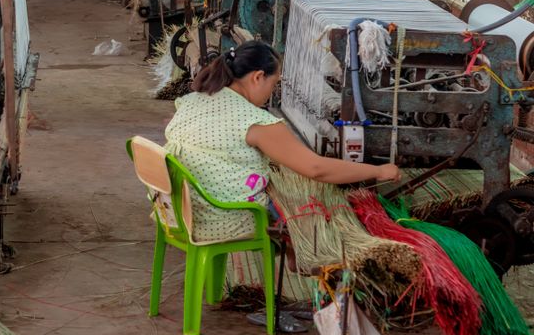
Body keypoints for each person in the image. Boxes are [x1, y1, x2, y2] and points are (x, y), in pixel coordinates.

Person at [164, 40, 401, 244]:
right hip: (217, 219)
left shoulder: (193, 99)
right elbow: (316, 169)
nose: (273, 91)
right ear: (258, 77)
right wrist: (378, 170)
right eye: (274, 83)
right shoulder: (254, 121)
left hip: (175, 212)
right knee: (313, 214)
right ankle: (311, 264)